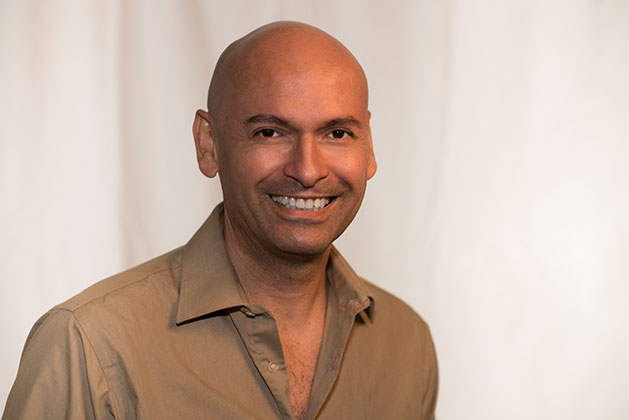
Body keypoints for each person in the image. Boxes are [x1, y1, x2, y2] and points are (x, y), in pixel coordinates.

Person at [3, 21, 438, 420]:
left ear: (370, 149)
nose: (308, 170)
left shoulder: (406, 344)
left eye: (337, 133)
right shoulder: (87, 346)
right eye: (270, 132)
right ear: (208, 144)